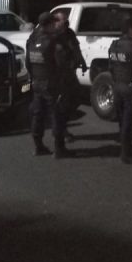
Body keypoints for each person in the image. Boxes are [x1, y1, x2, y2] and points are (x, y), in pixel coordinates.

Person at [25, 12, 74, 158]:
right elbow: (61, 64)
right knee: (56, 114)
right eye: (53, 23)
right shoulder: (53, 41)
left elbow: (28, 62)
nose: (55, 26)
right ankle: (59, 149)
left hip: (37, 82)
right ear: (50, 24)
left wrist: (34, 77)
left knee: (38, 114)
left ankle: (38, 146)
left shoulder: (32, 39)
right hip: (51, 84)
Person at [108, 16, 132, 165]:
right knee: (128, 122)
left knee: (121, 120)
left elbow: (111, 67)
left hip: (117, 86)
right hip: (129, 88)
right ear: (130, 29)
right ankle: (126, 154)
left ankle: (126, 149)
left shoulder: (114, 45)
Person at [54, 12, 88, 143]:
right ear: (56, 22)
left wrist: (82, 62)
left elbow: (76, 48)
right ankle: (61, 131)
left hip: (70, 72)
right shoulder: (52, 36)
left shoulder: (69, 33)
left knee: (76, 98)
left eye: (66, 20)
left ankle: (62, 126)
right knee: (61, 104)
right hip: (58, 75)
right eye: (63, 20)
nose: (66, 22)